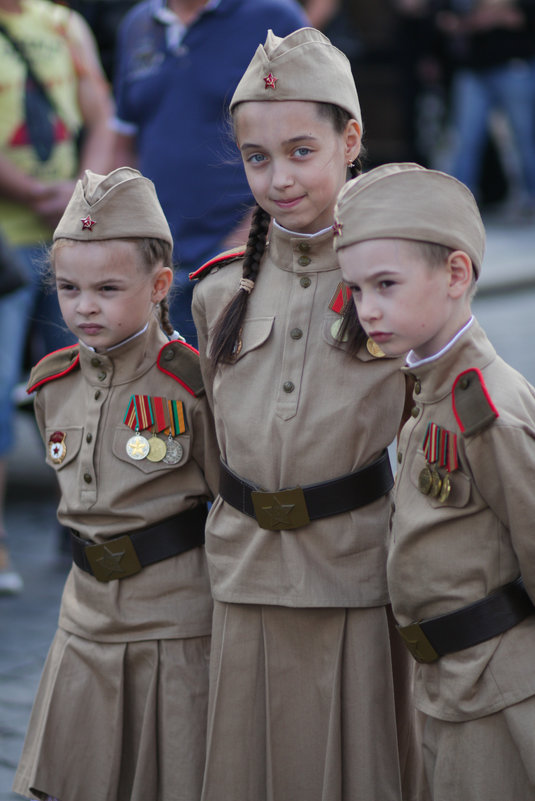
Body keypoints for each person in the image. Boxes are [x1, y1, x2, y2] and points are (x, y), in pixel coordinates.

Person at [191, 28, 423, 801]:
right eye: (257, 158)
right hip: (242, 575)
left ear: (349, 139)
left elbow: (444, 441)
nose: (278, 178)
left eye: (300, 151)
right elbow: (206, 447)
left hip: (353, 576)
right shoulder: (218, 293)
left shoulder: (395, 284)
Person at [12, 167, 219, 801]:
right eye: (69, 289)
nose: (84, 306)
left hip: (175, 623)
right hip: (83, 622)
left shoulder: (193, 385)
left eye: (107, 288)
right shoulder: (53, 383)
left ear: (160, 287)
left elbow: (227, 504)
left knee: (167, 777)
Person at [333, 161, 535, 800]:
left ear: (454, 274)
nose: (368, 309)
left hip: (498, 688)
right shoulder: (426, 388)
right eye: (357, 290)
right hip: (445, 683)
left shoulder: (485, 407)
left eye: (386, 284)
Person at [111, 0, 308, 344]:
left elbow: (310, 141)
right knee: (169, 396)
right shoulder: (138, 24)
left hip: (247, 263)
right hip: (157, 268)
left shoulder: (276, 18)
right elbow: (122, 141)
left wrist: (247, 240)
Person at [0, 0, 113, 588]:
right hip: (5, 243)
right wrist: (29, 190)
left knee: (88, 382)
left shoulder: (63, 24)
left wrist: (83, 193)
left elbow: (101, 114)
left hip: (69, 238)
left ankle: (87, 527)